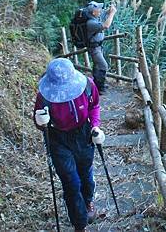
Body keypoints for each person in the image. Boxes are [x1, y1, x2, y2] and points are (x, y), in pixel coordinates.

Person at [33, 58, 106, 232]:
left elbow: (94, 105)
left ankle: (88, 202)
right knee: (71, 182)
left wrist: (95, 126)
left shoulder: (87, 86)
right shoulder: (44, 96)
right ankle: (79, 223)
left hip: (83, 134)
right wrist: (40, 121)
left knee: (86, 175)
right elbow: (39, 120)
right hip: (58, 139)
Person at [84, 1, 117, 93]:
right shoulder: (90, 23)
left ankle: (97, 85)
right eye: (99, 9)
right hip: (94, 48)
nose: (100, 10)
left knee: (97, 65)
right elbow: (106, 25)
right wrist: (112, 13)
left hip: (97, 46)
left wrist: (109, 11)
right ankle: (100, 88)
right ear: (94, 12)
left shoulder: (93, 17)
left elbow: (102, 14)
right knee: (103, 65)